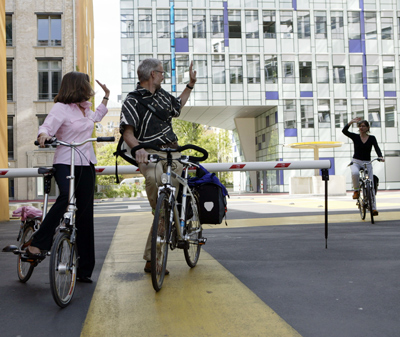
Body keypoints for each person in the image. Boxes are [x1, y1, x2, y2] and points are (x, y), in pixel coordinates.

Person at [27, 71, 110, 283]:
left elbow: (97, 117)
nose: (89, 89)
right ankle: (39, 241)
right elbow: (47, 126)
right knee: (65, 197)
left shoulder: (85, 110)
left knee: (84, 215)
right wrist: (43, 135)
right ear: (77, 86)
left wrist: (106, 97)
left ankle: (84, 270)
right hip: (65, 161)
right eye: (86, 85)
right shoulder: (61, 108)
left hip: (86, 164)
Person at [120, 58, 197, 274]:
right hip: (149, 153)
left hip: (173, 151)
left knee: (168, 201)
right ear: (153, 74)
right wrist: (138, 149)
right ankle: (162, 217)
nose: (164, 76)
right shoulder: (132, 101)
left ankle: (153, 257)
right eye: (162, 73)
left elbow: (178, 106)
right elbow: (127, 133)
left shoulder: (163, 96)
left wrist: (190, 85)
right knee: (155, 181)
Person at [342, 117, 384, 215]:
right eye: (360, 126)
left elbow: (377, 147)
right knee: (355, 172)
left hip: (367, 162)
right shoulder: (355, 137)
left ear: (367, 128)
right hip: (356, 161)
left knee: (371, 185)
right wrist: (351, 122)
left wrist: (380, 156)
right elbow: (344, 131)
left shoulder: (372, 138)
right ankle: (356, 190)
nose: (361, 127)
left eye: (363, 126)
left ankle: (373, 208)